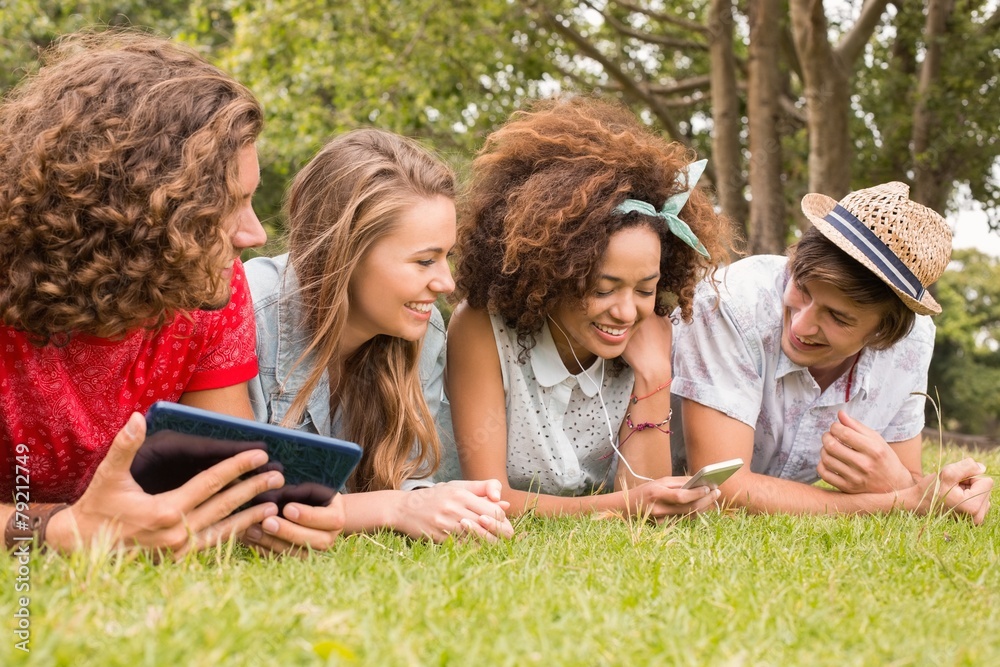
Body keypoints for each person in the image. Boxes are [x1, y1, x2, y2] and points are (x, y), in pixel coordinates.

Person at [0, 31, 298, 555]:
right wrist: (57, 531)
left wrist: (263, 516)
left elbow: (220, 474)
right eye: (226, 205)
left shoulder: (209, 286)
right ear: (133, 208)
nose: (254, 235)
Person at [445, 97, 733, 520]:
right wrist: (623, 505)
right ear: (551, 274)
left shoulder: (645, 335)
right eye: (603, 289)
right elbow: (489, 498)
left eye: (644, 288)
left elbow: (649, 509)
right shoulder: (481, 328)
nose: (625, 312)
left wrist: (654, 376)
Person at [245, 129, 512, 548]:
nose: (446, 283)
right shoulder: (250, 314)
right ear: (345, 253)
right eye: (424, 261)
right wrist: (394, 509)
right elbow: (240, 494)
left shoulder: (422, 335)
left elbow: (406, 478)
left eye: (447, 257)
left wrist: (443, 504)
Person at [671, 181, 993, 522]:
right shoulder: (732, 302)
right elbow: (722, 488)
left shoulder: (911, 344)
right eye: (802, 289)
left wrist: (907, 486)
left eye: (838, 317)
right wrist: (904, 502)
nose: (801, 326)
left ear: (885, 331)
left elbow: (906, 480)